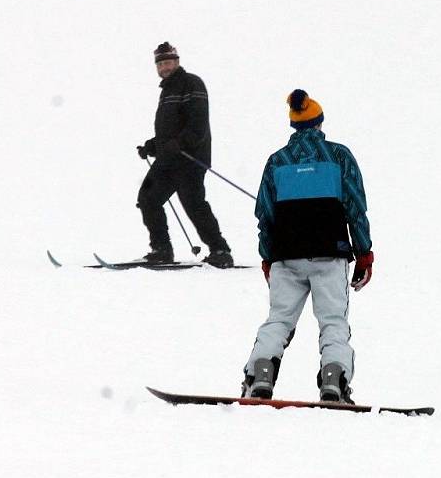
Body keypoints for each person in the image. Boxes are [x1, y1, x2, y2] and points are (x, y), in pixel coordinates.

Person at [241, 89, 374, 403]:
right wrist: (363, 253)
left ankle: (260, 377)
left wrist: (267, 257)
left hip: (286, 255)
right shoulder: (339, 156)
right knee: (333, 320)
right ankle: (334, 382)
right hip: (330, 253)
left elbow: (265, 215)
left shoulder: (277, 161)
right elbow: (355, 206)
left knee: (279, 319)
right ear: (319, 123)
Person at [135, 42, 233, 268]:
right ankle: (161, 249)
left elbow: (197, 125)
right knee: (148, 198)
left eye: (168, 62)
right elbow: (168, 131)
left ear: (177, 62)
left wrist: (179, 144)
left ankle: (221, 251)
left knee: (193, 203)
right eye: (160, 63)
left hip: (191, 158)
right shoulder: (167, 91)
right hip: (169, 159)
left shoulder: (192, 84)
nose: (164, 67)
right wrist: (152, 146)